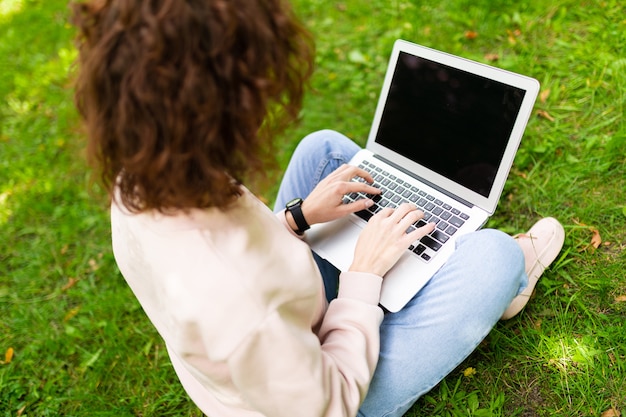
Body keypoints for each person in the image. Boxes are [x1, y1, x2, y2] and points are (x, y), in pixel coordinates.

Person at [71, 1, 565, 416]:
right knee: (496, 254)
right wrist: (365, 275)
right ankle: (506, 282)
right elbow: (331, 400)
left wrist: (299, 218)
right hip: (335, 388)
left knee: (323, 150)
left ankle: (416, 277)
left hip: (289, 333)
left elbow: (247, 256)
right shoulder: (237, 308)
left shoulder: (141, 178)